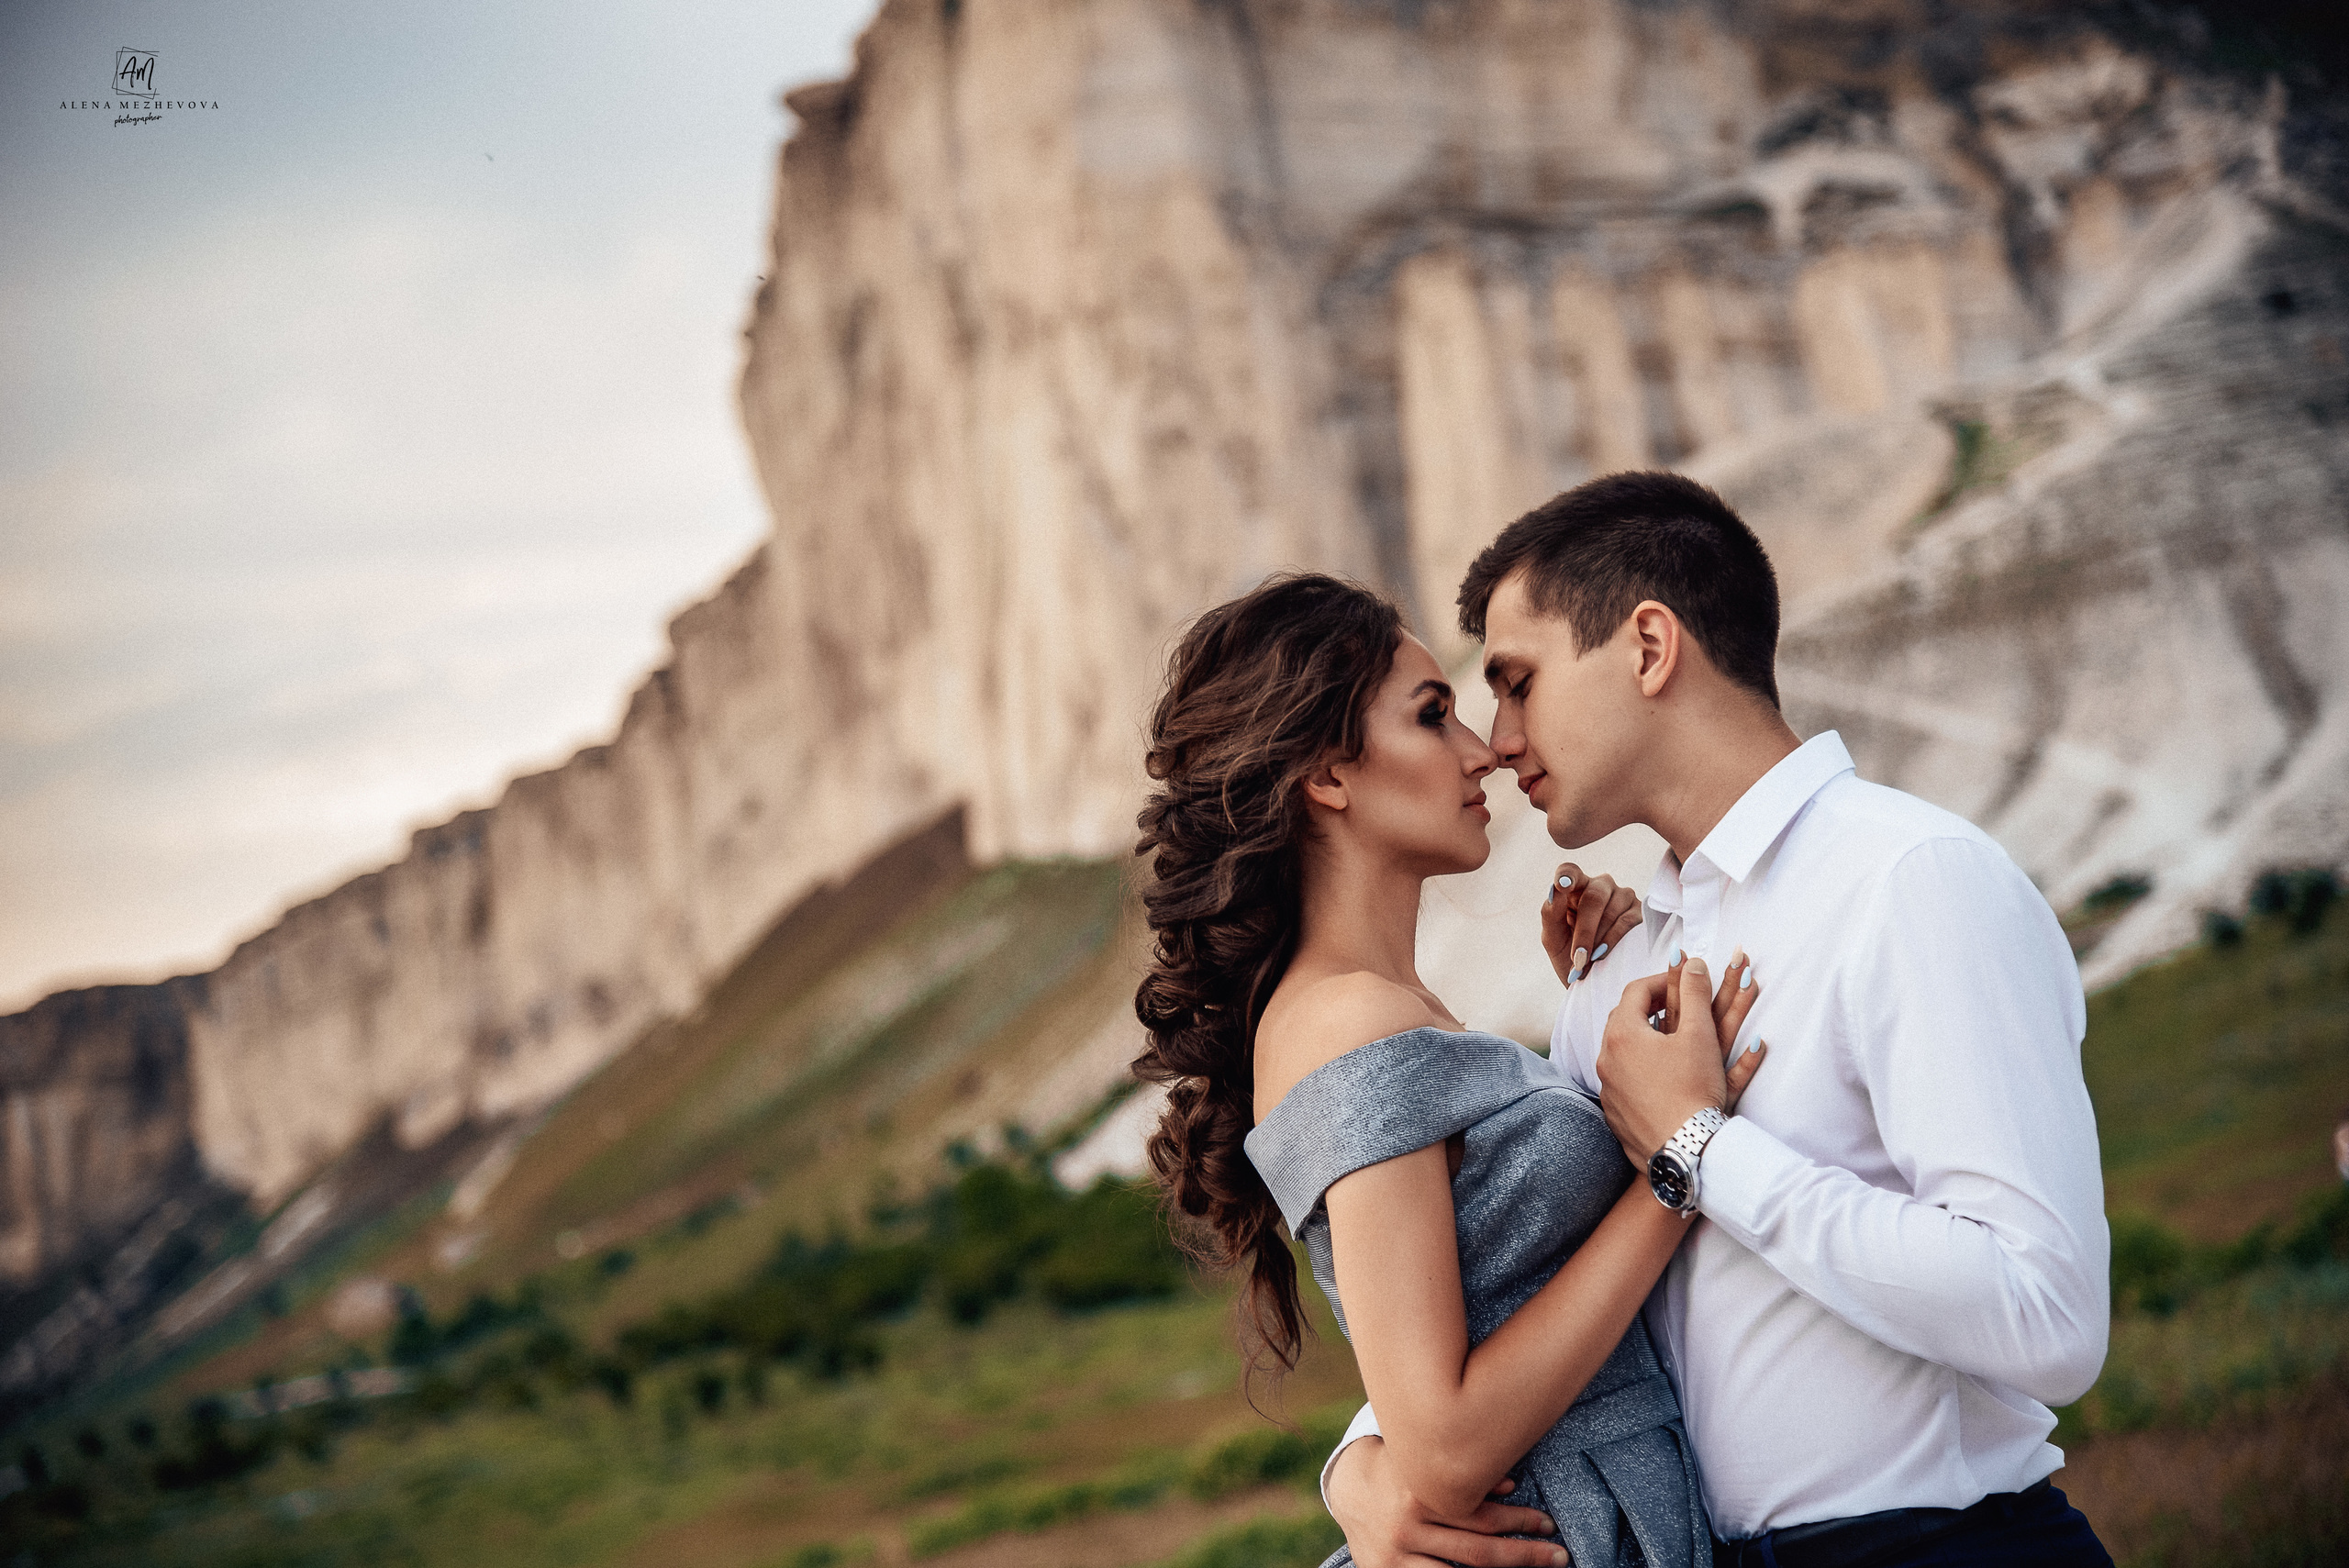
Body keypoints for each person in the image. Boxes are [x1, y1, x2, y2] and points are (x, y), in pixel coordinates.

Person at [1324, 473, 2115, 1567]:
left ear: (1649, 646)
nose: (1497, 739)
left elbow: (2048, 1315)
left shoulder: (1911, 880)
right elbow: (1541, 1282)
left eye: (1517, 683)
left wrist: (1700, 1151)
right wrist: (1367, 1460)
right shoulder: (1618, 963)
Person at [1130, 572, 1766, 1568]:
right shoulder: (1346, 1021)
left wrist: (1605, 987)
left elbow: (1488, 1272)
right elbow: (1443, 1445)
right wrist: (1674, 1165)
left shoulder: (1386, 1011)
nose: (1483, 751)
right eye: (1433, 718)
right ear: (1327, 775)